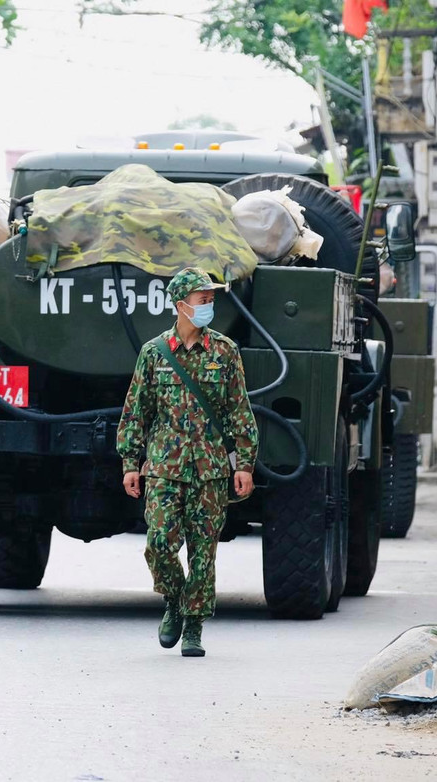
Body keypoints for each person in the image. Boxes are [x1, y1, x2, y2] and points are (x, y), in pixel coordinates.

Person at [116, 267, 258, 658]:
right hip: (163, 467)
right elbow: (136, 411)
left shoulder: (225, 352)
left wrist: (244, 463)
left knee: (202, 552)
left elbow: (238, 411)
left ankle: (193, 626)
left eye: (212, 299)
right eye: (202, 299)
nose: (209, 305)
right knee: (159, 543)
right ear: (181, 305)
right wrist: (131, 461)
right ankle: (175, 601)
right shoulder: (154, 353)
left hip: (210, 469)